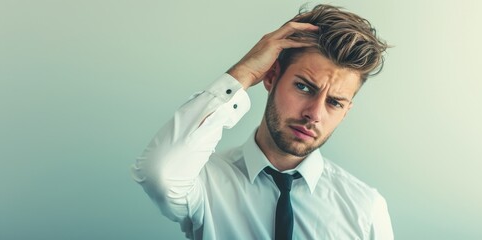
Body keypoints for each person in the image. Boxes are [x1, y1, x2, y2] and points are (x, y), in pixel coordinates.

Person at [131, 4, 393, 240]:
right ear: (271, 77)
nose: (314, 113)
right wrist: (243, 73)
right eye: (303, 87)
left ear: (346, 110)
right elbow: (158, 174)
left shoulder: (366, 208)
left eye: (334, 102)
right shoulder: (205, 182)